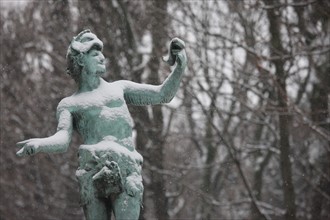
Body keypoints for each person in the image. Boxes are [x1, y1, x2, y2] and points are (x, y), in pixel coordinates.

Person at [16, 29, 187, 220]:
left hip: (126, 167)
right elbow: (63, 138)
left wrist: (179, 68)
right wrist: (40, 144)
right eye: (95, 54)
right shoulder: (70, 104)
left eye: (101, 53)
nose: (102, 57)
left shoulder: (120, 89)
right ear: (81, 60)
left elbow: (162, 94)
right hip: (91, 169)